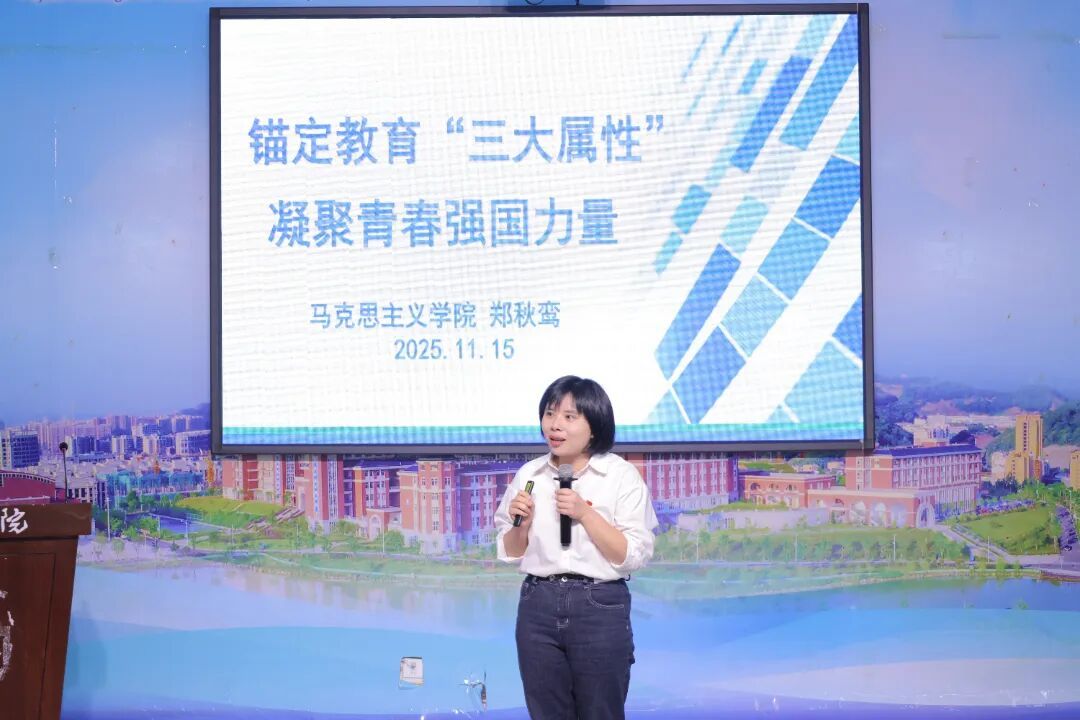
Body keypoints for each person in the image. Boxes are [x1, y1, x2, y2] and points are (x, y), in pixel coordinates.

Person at [494, 375, 658, 720]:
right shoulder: (530, 475)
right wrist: (520, 524)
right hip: (538, 603)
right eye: (550, 414)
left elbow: (632, 555)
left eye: (569, 417)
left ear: (594, 427)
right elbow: (511, 551)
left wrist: (585, 513)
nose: (555, 425)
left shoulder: (620, 476)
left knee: (601, 711)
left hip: (599, 604)